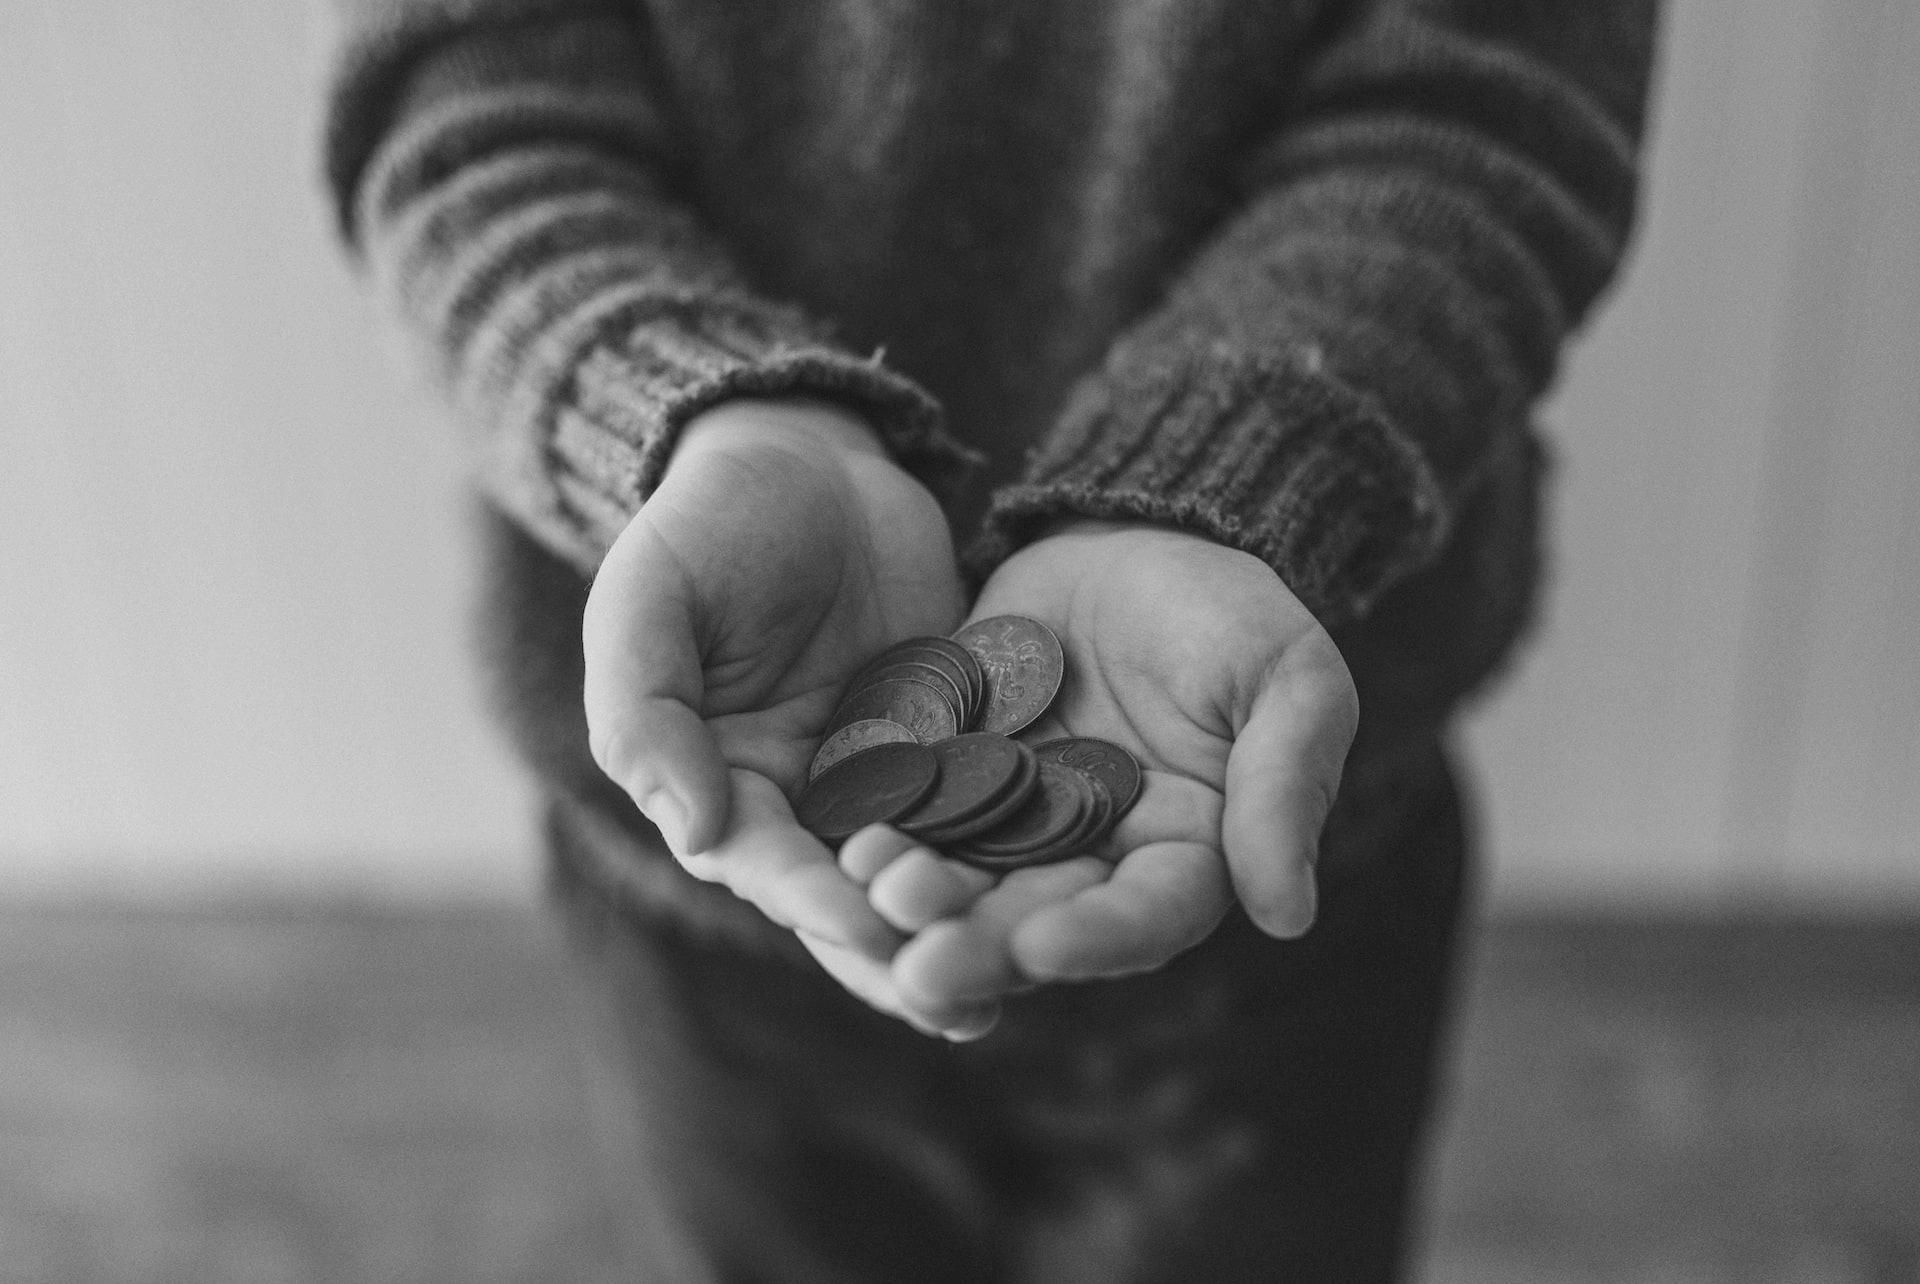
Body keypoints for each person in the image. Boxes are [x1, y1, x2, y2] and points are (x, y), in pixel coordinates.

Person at [323, 0, 1658, 1277]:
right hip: (715, 870)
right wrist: (688, 415)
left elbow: (1482, 112)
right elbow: (463, 106)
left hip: (1274, 835)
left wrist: (1233, 472)